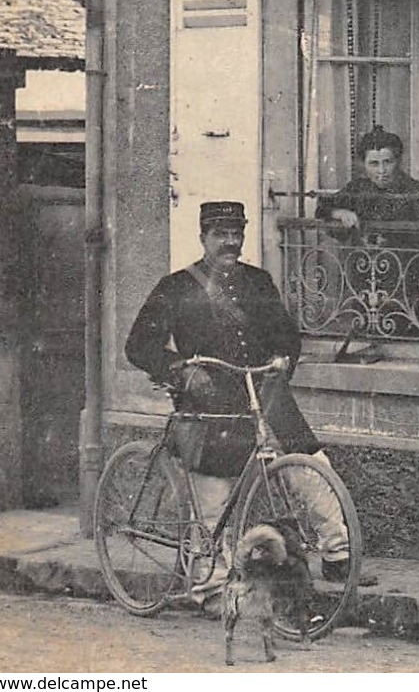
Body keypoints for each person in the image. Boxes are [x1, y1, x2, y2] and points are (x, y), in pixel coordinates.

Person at [124, 201, 375, 586]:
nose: (230, 242)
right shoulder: (175, 287)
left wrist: (281, 359)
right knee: (214, 494)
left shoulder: (258, 281)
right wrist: (183, 370)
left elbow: (286, 334)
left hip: (265, 391)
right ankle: (209, 583)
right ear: (203, 238)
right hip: (211, 402)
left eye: (236, 234)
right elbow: (139, 346)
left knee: (312, 467)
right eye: (220, 235)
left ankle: (337, 554)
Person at [315, 126, 419, 249]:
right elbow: (322, 208)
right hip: (362, 267)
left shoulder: (418, 191)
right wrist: (339, 213)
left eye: (388, 162)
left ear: (399, 161)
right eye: (374, 164)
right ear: (363, 165)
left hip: (404, 268)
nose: (382, 171)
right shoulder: (358, 187)